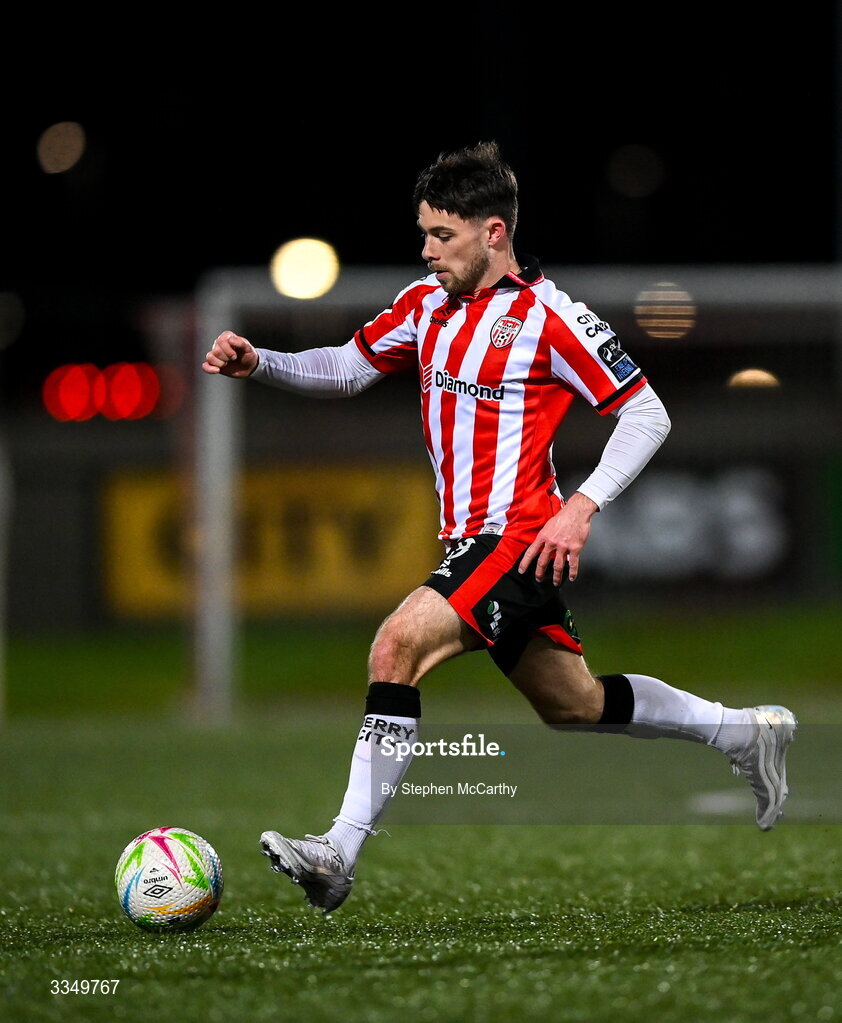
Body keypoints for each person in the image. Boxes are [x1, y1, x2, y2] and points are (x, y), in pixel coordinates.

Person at [202, 141, 796, 914]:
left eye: (439, 235)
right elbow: (349, 366)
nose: (426, 250)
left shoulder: (554, 317)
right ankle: (745, 733)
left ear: (492, 232)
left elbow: (647, 411)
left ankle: (337, 850)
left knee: (395, 644)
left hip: (514, 537)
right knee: (573, 704)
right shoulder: (426, 305)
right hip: (477, 545)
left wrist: (580, 509)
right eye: (422, 233)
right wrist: (263, 363)